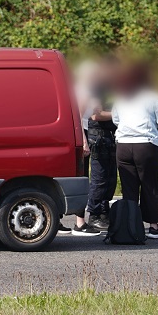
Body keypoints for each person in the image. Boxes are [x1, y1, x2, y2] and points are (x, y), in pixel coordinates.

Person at [112, 62, 158, 239]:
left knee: (129, 188)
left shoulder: (121, 96)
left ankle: (132, 225)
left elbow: (116, 119)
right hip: (146, 144)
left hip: (122, 145)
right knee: (150, 186)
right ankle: (153, 226)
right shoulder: (153, 96)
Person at [85, 56, 120, 231]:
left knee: (111, 178)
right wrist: (122, 114)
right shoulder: (98, 87)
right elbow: (95, 115)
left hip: (112, 135)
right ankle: (94, 214)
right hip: (99, 135)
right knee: (100, 178)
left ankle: (104, 212)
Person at [71, 60, 102, 236]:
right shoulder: (84, 90)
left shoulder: (79, 89)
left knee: (78, 175)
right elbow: (78, 116)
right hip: (82, 132)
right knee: (82, 177)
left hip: (81, 131)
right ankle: (80, 223)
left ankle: (72, 221)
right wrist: (83, 140)